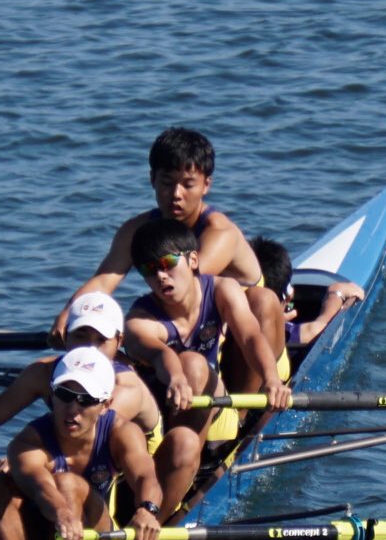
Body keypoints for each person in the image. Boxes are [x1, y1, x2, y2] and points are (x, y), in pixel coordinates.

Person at [51, 127, 287, 385]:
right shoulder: (137, 230)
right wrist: (70, 314)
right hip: (193, 340)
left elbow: (187, 286)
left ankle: (252, 404)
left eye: (188, 184)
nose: (176, 194)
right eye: (167, 182)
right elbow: (105, 280)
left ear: (206, 185)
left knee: (262, 300)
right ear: (152, 179)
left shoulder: (219, 233)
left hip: (249, 343)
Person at [124, 218, 290, 515]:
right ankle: (158, 516)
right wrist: (176, 378)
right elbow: (162, 356)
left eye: (167, 263)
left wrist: (271, 379)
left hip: (217, 416)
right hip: (168, 428)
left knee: (198, 362)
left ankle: (224, 442)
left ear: (193, 260)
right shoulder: (139, 321)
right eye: (149, 270)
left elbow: (250, 335)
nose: (160, 276)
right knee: (190, 368)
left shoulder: (222, 289)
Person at [0, 348, 163, 540]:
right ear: (52, 395)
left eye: (86, 400)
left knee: (68, 483)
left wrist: (147, 510)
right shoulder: (28, 442)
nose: (72, 408)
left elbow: (145, 476)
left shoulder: (122, 432)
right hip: (49, 535)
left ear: (105, 405)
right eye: (65, 395)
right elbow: (40, 485)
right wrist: (62, 512)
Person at [0, 292, 161, 479]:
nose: (90, 348)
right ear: (65, 336)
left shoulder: (125, 385)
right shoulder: (42, 373)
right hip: (81, 461)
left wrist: (22, 456)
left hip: (139, 468)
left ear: (119, 342)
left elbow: (88, 434)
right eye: (80, 336)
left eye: (101, 340)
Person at [249, 235, 366, 347]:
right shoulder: (285, 333)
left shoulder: (239, 330)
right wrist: (335, 293)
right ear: (288, 296)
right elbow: (319, 328)